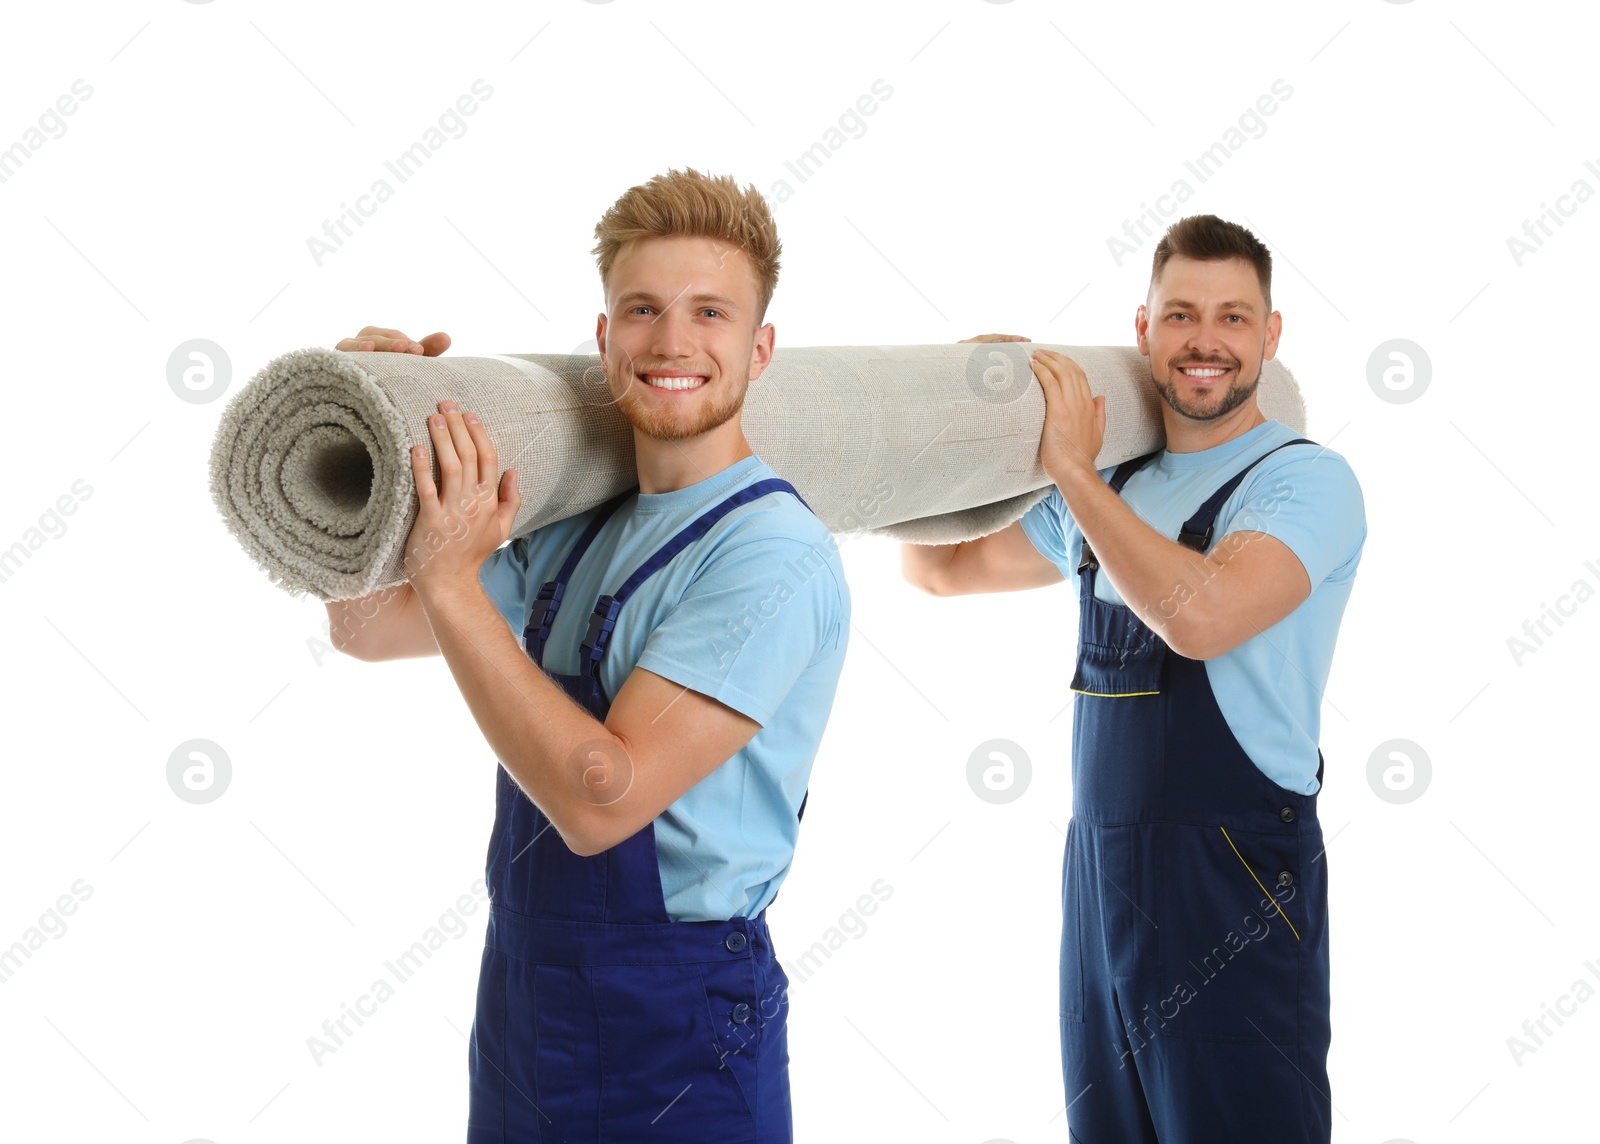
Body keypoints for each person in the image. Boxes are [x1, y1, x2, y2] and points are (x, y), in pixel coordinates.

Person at [325, 168, 849, 1143]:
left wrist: (447, 577)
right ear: (604, 337)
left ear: (760, 348)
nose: (673, 341)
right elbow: (363, 631)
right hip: (527, 1000)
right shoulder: (574, 530)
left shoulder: (770, 553)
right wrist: (370, 456)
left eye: (710, 312)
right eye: (642, 309)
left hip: (681, 1026)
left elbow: (600, 798)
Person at [903, 215, 1365, 1143]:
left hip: (1231, 886)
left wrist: (1070, 468)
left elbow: (1199, 616)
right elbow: (939, 569)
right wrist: (959, 419)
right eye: (1182, 314)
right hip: (1102, 882)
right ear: (1144, 328)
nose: (1206, 341)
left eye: (1234, 319)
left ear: (1270, 338)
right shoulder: (1117, 491)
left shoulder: (1305, 484)